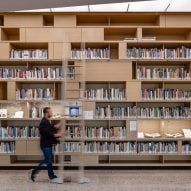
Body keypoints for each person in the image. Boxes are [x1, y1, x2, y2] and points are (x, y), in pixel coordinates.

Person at [28, 107, 63, 184]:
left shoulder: (46, 121)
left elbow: (51, 128)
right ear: (46, 113)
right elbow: (48, 132)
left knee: (49, 160)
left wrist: (60, 124)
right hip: (45, 145)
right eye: (50, 112)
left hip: (47, 144)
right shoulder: (44, 122)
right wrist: (57, 134)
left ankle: (51, 176)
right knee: (47, 160)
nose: (52, 113)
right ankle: (33, 172)